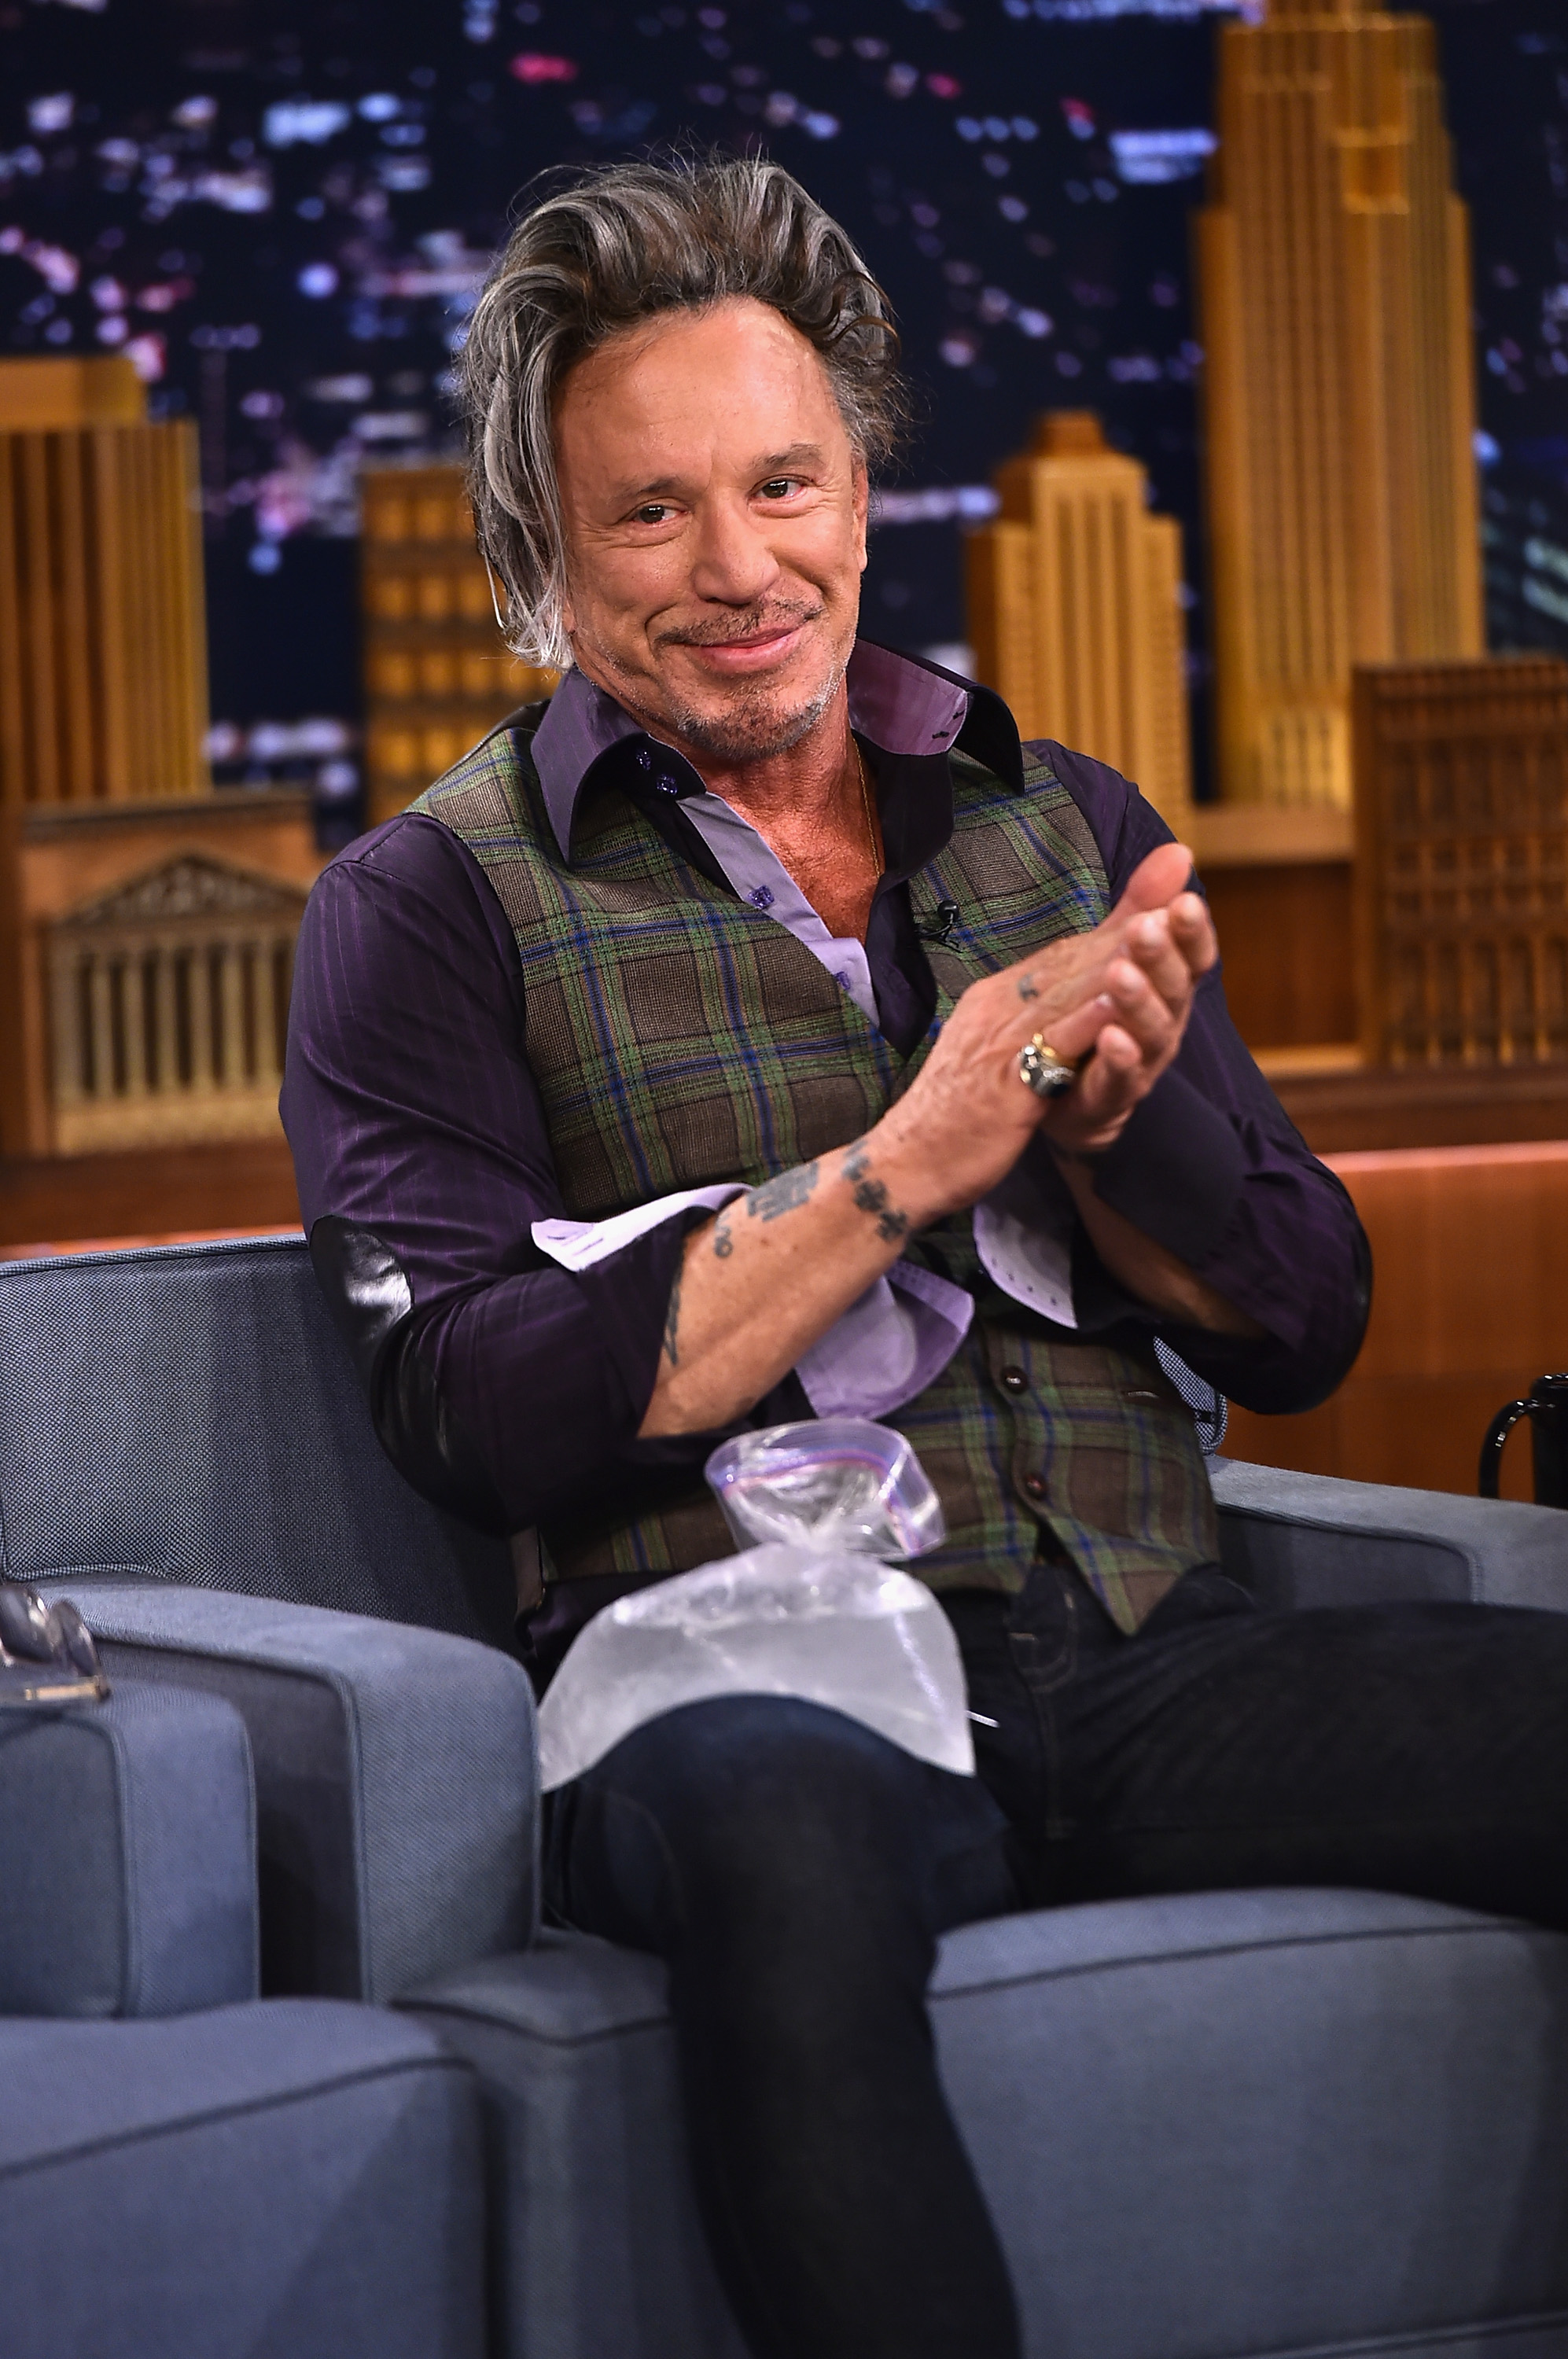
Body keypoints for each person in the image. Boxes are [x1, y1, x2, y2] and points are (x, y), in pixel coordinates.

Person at [282, 153, 1568, 2359]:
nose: (739, 566)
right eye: (653, 511)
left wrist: (1127, 1125)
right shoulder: (420, 910)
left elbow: (1305, 1319)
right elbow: (473, 1407)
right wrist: (907, 1159)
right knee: (779, 1838)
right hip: (739, 1691)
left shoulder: (1062, 822)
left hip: (1143, 1657)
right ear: (546, 556)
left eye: (781, 485)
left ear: (862, 494)